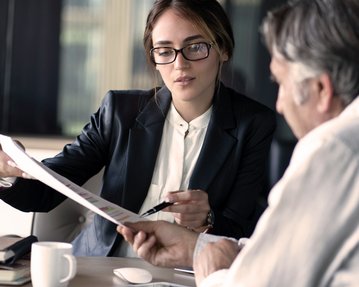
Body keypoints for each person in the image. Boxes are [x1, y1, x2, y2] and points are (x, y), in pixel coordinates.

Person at [0, 0, 276, 257]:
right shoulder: (119, 111)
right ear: (154, 58)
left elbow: (243, 230)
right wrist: (7, 173)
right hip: (103, 269)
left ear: (224, 49)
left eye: (195, 47)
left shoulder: (253, 124)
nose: (180, 64)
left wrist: (209, 219)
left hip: (186, 275)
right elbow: (45, 192)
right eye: (165, 51)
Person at [117, 0, 359, 285]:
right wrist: (196, 248)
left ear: (321, 89)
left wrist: (213, 273)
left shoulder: (332, 150)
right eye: (165, 50)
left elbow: (265, 281)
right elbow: (286, 255)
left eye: (281, 84)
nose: (279, 104)